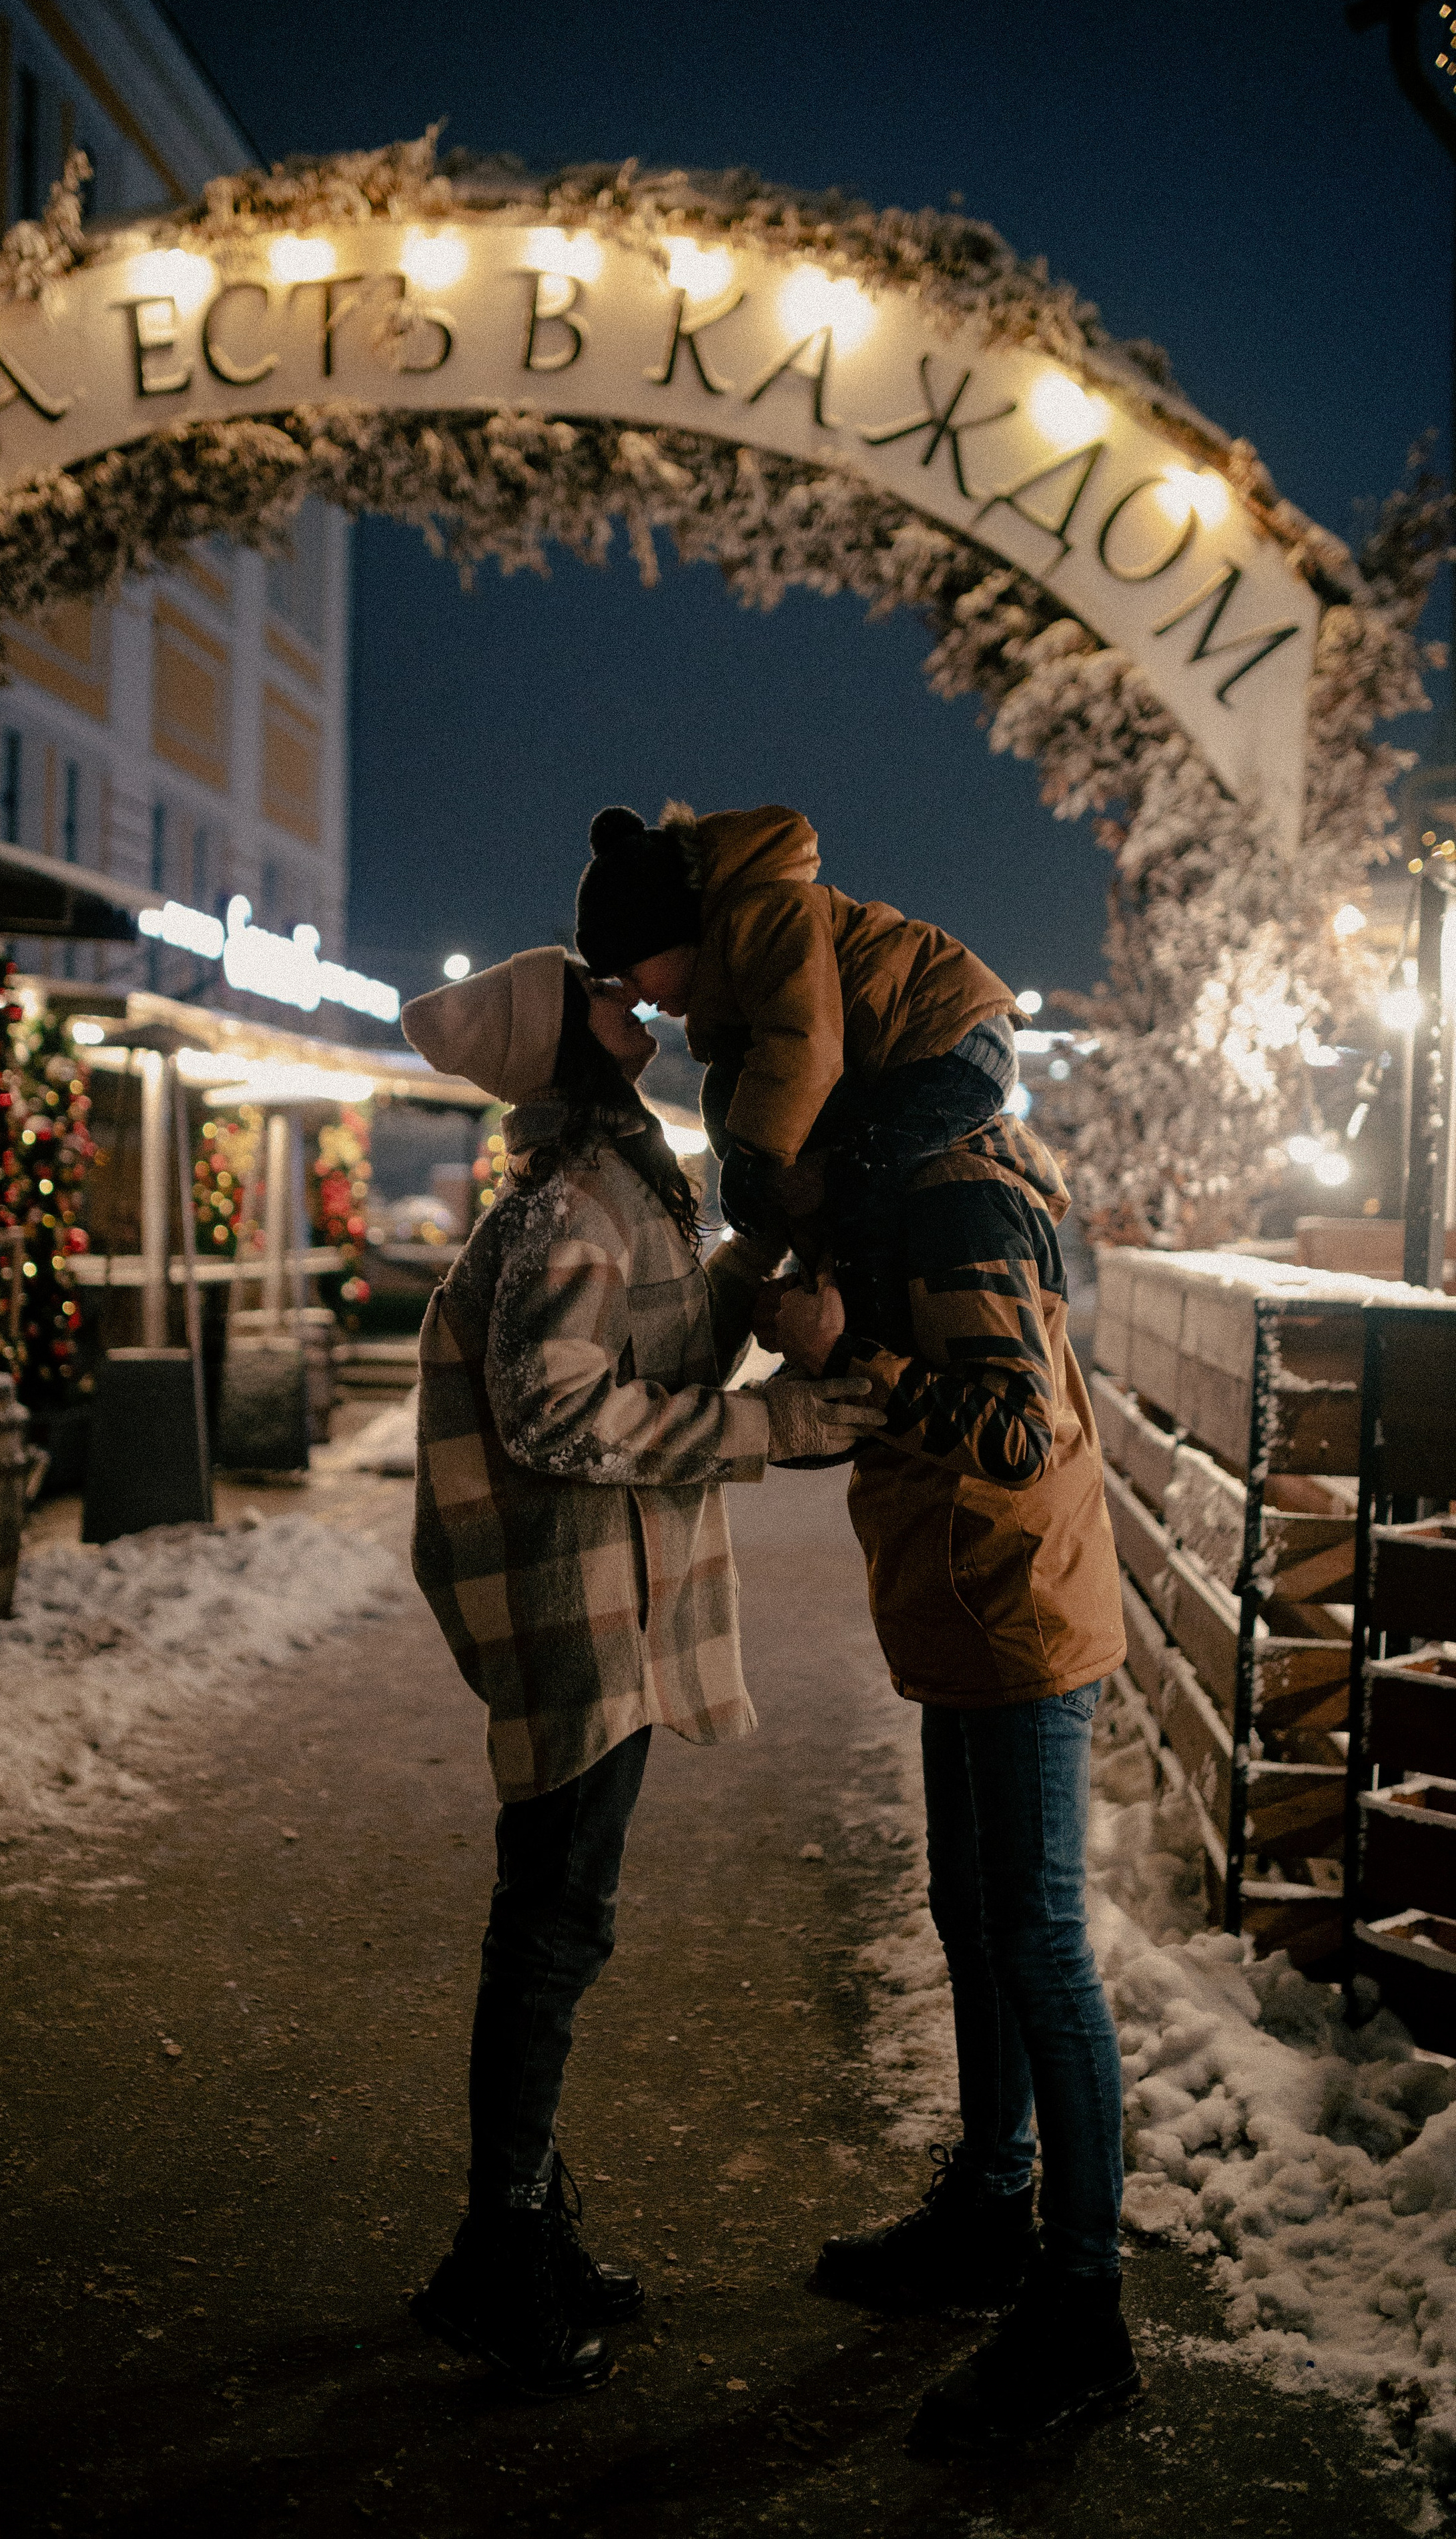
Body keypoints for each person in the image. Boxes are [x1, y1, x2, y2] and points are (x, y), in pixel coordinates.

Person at [398, 945, 884, 2399]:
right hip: (576, 1610)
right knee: (547, 1929)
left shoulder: (615, 1185)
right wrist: (776, 1430)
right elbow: (557, 1414)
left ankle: (519, 2227)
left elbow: (661, 1338)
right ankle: (496, 2258)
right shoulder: (570, 1202)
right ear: (571, 1043)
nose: (644, 1008)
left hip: (603, 1605)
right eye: (610, 1000)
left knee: (561, 1921)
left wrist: (750, 1270)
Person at [757, 1093, 1136, 2454]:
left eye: (770, 1171)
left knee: (1036, 1943)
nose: (771, 1204)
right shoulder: (901, 1202)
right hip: (963, 1608)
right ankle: (988, 2207)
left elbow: (1009, 1432)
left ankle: (1082, 2310)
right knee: (971, 1921)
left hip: (1019, 1613)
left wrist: (845, 1345)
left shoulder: (955, 1200)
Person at [573, 799, 1022, 1345]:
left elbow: (804, 1040)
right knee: (764, 1128)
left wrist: (755, 1155)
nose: (633, 993)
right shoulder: (731, 974)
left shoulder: (766, 915)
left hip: (952, 1041)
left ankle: (863, 1337)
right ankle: (826, 1291)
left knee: (860, 1169)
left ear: (669, 932)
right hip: (899, 1049)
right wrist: (755, 1170)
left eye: (629, 969)